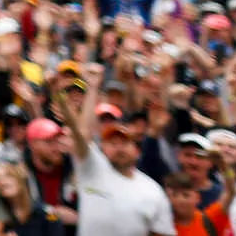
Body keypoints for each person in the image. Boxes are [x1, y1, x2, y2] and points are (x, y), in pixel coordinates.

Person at [49, 68, 172, 236]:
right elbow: (83, 136)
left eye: (124, 143)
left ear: (136, 150)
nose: (119, 147)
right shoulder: (92, 169)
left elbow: (161, 232)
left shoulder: (152, 190)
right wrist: (91, 88)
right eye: (112, 143)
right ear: (103, 149)